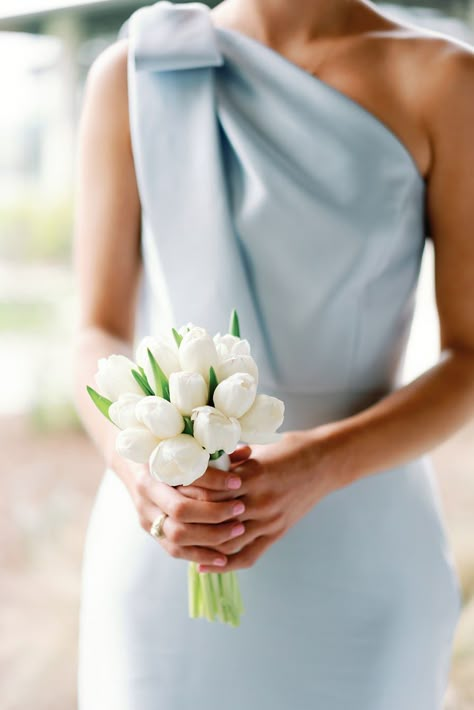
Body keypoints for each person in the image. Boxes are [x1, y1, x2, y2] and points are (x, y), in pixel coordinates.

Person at [73, 1, 474, 708]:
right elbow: (95, 330)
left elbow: (470, 354)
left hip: (361, 542)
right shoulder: (135, 71)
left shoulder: (442, 79)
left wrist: (323, 460)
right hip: (170, 532)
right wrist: (136, 467)